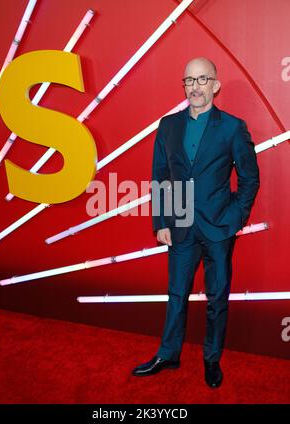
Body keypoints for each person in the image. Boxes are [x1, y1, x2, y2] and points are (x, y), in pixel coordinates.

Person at [132, 57, 260, 388]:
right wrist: (161, 220)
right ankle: (168, 354)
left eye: (202, 80)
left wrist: (236, 216)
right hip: (179, 226)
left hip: (219, 228)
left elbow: (249, 178)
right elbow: (159, 176)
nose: (195, 86)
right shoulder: (168, 125)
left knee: (217, 297)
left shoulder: (233, 127)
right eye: (189, 80)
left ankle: (211, 359)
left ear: (215, 86)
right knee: (176, 293)